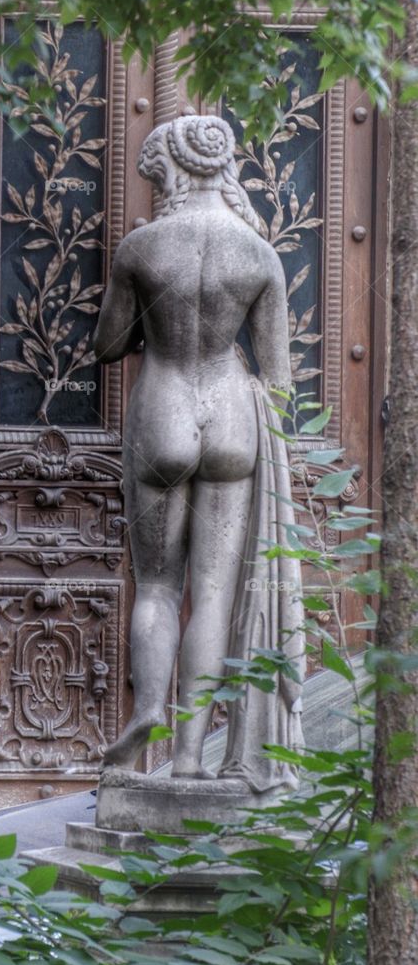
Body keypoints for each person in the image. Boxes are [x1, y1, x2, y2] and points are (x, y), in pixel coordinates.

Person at [94, 113, 304, 789]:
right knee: (211, 593)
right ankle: (189, 760)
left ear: (172, 170)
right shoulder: (258, 254)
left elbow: (106, 344)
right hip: (232, 421)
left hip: (162, 408)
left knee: (157, 584)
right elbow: (276, 378)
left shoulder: (141, 247)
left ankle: (147, 714)